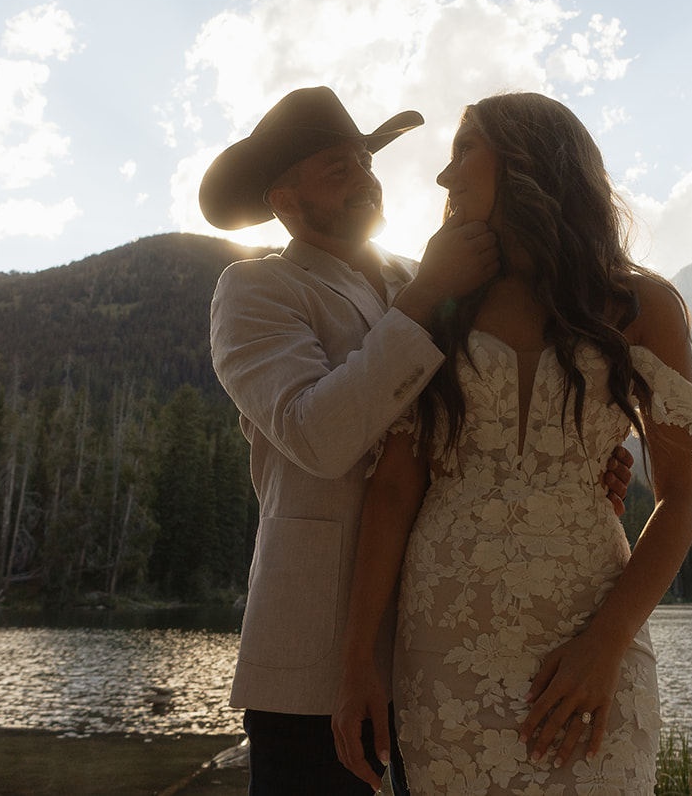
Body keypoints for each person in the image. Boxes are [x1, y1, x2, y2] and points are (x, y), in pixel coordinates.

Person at [203, 86, 633, 795]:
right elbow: (317, 433)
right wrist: (428, 291)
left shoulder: (426, 276)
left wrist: (580, 456)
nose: (366, 180)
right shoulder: (254, 290)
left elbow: (485, 414)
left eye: (365, 163)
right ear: (284, 199)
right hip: (312, 656)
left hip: (446, 642)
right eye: (337, 169)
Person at [333, 92, 692, 794]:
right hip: (445, 647)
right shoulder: (436, 304)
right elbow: (393, 486)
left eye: (463, 150)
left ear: (527, 157)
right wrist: (359, 656)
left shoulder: (642, 306)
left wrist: (606, 644)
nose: (446, 179)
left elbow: (682, 496)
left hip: (593, 623)